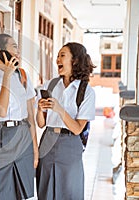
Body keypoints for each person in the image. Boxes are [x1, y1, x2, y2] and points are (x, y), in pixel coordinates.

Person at [0, 33, 38, 200]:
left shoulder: (23, 75)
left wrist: (35, 149)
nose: (18, 51)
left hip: (23, 136)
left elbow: (30, 114)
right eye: (14, 46)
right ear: (2, 51)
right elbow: (1, 110)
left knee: (23, 194)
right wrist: (7, 77)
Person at [35, 42, 96, 199]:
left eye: (62, 55)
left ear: (75, 60)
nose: (57, 60)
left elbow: (77, 129)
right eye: (57, 56)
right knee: (45, 189)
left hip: (70, 143)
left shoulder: (86, 91)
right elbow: (41, 123)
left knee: (70, 191)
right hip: (47, 140)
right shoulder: (51, 84)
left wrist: (59, 110)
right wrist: (40, 110)